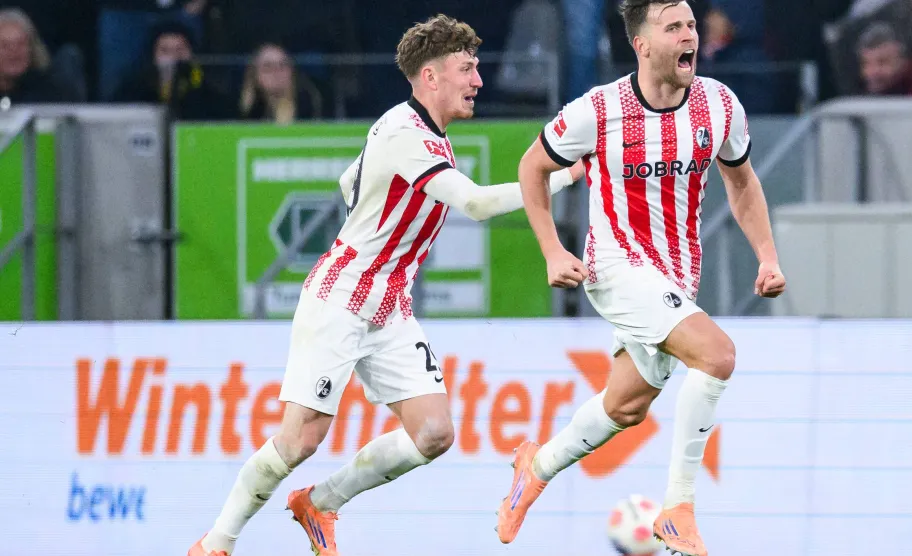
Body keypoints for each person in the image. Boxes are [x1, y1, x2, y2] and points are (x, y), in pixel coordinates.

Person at [188, 14, 583, 556]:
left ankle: (321, 502)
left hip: (389, 307)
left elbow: (348, 179)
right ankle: (215, 542)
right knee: (300, 439)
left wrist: (368, 203)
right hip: (341, 298)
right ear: (430, 77)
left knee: (434, 434)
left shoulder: (412, 130)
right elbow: (475, 203)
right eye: (467, 69)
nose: (479, 81)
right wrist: (559, 176)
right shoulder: (405, 132)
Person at [495, 2, 786, 555]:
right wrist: (553, 251)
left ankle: (536, 466)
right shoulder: (598, 110)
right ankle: (678, 508)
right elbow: (532, 166)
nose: (690, 36)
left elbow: (742, 181)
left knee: (627, 407)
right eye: (674, 27)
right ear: (642, 44)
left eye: (693, 25)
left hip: (677, 276)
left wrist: (767, 256)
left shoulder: (720, 105)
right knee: (718, 355)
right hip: (615, 266)